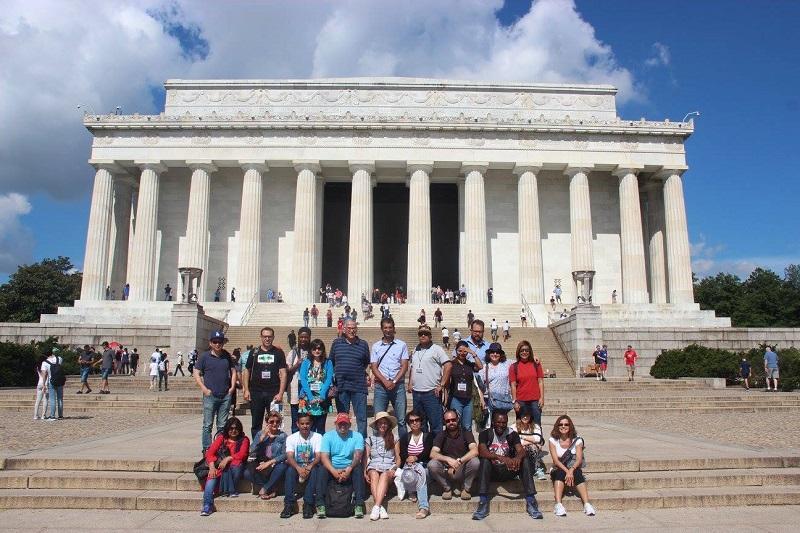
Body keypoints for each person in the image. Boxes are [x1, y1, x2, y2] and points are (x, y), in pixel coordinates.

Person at [472, 410, 542, 520]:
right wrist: (502, 458)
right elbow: (482, 452)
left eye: (504, 422)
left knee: (525, 460)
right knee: (485, 461)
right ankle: (483, 502)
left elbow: (521, 450)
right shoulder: (485, 434)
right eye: (498, 422)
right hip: (492, 471)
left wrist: (517, 458)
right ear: (493, 423)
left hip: (508, 470)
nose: (501, 425)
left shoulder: (512, 434)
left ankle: (531, 500)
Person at [318, 412, 367, 519]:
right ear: (335, 424)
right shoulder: (328, 436)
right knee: (322, 468)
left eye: (345, 424)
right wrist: (334, 471)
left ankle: (359, 504)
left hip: (350, 468)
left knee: (358, 468)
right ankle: (320, 504)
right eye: (340, 424)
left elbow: (358, 456)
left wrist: (348, 469)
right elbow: (324, 457)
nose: (342, 426)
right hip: (333, 468)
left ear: (349, 425)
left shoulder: (357, 436)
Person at [194, 330, 237, 452]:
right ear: (211, 343)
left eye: (220, 342)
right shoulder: (204, 356)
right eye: (215, 342)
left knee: (222, 425)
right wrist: (204, 388)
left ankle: (220, 448)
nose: (218, 344)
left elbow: (233, 371)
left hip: (225, 395)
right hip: (210, 395)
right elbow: (196, 372)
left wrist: (232, 387)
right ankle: (207, 449)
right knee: (207, 424)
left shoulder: (226, 356)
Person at [242, 326, 288, 439]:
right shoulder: (254, 352)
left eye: (269, 336)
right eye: (265, 336)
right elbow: (247, 371)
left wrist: (281, 393)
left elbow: (283, 373)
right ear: (261, 337)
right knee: (256, 422)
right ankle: (257, 447)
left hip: (273, 392)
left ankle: (274, 448)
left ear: (273, 337)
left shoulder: (278, 353)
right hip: (256, 391)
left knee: (275, 422)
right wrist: (246, 389)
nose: (267, 339)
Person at [329, 319, 371, 438]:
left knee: (362, 418)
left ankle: (361, 444)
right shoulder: (336, 343)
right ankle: (343, 443)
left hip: (359, 386)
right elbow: (331, 361)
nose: (352, 330)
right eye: (349, 328)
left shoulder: (363, 344)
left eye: (354, 328)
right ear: (344, 329)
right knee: (342, 418)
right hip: (341, 386)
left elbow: (365, 362)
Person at [200, 417, 250, 516]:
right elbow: (209, 453)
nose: (233, 431)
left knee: (236, 466)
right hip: (219, 467)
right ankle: (207, 505)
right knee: (211, 479)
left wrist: (228, 458)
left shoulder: (244, 440)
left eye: (236, 428)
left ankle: (229, 489)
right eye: (231, 428)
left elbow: (242, 455)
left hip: (234, 468)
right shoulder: (221, 438)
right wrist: (211, 467)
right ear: (227, 429)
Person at [408, 325, 451, 435]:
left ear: (430, 336)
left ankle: (437, 448)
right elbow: (412, 367)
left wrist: (442, 384)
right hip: (417, 393)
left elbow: (448, 365)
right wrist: (410, 383)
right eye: (420, 334)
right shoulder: (415, 350)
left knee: (435, 423)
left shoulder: (437, 349)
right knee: (420, 424)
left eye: (426, 334)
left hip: (431, 393)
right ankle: (425, 448)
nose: (423, 336)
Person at [549, 415, 595, 517]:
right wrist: (567, 471)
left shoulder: (577, 440)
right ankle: (558, 504)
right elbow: (555, 461)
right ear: (557, 426)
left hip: (572, 466)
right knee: (560, 473)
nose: (563, 426)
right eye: (560, 424)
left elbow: (578, 459)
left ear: (570, 426)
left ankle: (587, 504)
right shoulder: (553, 440)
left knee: (577, 473)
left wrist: (571, 470)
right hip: (559, 467)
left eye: (566, 424)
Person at [428, 409, 479, 501]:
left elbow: (475, 451)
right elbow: (433, 453)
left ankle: (466, 489)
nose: (451, 422)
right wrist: (448, 459)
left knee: (475, 462)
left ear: (458, 419)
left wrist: (459, 461)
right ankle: (447, 488)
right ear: (444, 422)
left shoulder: (466, 433)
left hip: (463, 468)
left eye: (453, 420)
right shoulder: (441, 435)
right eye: (448, 421)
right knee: (432, 464)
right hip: (447, 470)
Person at [371, 317, 409, 437]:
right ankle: (378, 449)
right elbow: (374, 367)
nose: (388, 330)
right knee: (378, 419)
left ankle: (402, 451)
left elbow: (404, 366)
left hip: (398, 386)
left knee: (402, 420)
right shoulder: (376, 346)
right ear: (381, 329)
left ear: (394, 328)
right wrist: (385, 381)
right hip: (381, 387)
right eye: (385, 328)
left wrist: (394, 381)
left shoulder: (401, 345)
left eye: (390, 327)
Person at [281, 412, 323, 519]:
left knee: (314, 470)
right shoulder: (291, 438)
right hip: (297, 466)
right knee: (290, 470)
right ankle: (289, 504)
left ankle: (308, 504)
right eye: (302, 423)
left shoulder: (317, 437)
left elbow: (318, 457)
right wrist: (299, 468)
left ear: (311, 424)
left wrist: (309, 467)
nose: (305, 426)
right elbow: (290, 457)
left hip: (312, 465)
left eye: (307, 423)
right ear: (297, 424)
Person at [398, 409, 434, 519]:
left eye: (417, 420)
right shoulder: (405, 437)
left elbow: (427, 452)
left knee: (421, 473)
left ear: (421, 421)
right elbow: (403, 453)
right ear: (408, 424)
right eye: (411, 421)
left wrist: (416, 457)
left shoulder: (428, 436)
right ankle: (412, 490)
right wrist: (408, 458)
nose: (414, 423)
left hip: (424, 466)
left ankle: (423, 507)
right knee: (412, 472)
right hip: (409, 466)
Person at [365, 411, 401, 520]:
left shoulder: (394, 438)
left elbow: (398, 457)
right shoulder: (370, 439)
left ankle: (376, 506)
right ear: (376, 425)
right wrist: (364, 472)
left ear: (389, 425)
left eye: (385, 423)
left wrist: (395, 468)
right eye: (380, 423)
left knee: (384, 474)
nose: (383, 425)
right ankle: (379, 507)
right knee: (375, 474)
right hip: (373, 467)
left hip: (388, 467)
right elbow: (366, 458)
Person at [246, 410, 288, 500]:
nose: (274, 424)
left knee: (282, 466)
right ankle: (271, 487)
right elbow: (252, 451)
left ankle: (264, 489)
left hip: (274, 464)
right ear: (266, 422)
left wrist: (269, 463)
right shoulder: (260, 434)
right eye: (271, 422)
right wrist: (262, 438)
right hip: (261, 463)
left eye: (277, 422)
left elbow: (285, 455)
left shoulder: (283, 436)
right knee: (246, 473)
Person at [298, 339, 334, 433]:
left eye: (319, 348)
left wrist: (322, 395)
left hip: (322, 397)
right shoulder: (306, 362)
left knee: (321, 427)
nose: (317, 351)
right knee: (309, 427)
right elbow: (303, 380)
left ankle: (320, 447)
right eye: (314, 349)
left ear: (322, 350)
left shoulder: (328, 362)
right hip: (308, 397)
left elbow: (328, 379)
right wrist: (310, 397)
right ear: (310, 350)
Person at [447, 340, 483, 432]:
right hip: (456, 398)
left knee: (467, 426)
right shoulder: (452, 364)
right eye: (459, 351)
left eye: (465, 351)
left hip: (468, 399)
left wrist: (473, 353)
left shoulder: (469, 364)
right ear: (456, 351)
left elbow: (480, 366)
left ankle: (467, 444)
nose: (462, 353)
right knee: (456, 424)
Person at [510, 340, 545, 427]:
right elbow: (513, 385)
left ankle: (537, 440)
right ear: (518, 352)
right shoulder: (514, 367)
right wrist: (515, 401)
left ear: (530, 352)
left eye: (526, 350)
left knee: (536, 425)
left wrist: (542, 398)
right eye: (522, 350)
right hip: (521, 401)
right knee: (521, 425)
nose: (524, 352)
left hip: (535, 401)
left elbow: (540, 382)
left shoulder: (536, 364)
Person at [511, 406, 547, 480]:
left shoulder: (536, 427)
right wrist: (530, 441)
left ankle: (537, 469)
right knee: (521, 448)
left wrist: (521, 437)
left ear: (530, 416)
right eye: (523, 415)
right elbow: (513, 440)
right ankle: (517, 471)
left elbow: (538, 438)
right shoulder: (513, 427)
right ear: (520, 416)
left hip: (531, 449)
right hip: (519, 448)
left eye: (527, 415)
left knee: (532, 448)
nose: (525, 417)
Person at [287, 327, 311, 433]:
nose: (303, 339)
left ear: (309, 338)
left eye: (306, 337)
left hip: (310, 387)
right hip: (296, 386)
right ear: (298, 337)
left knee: (309, 416)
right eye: (301, 337)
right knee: (296, 417)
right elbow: (287, 370)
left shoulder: (314, 351)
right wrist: (297, 364)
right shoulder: (293, 352)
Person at [482, 342, 512, 427]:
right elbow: (480, 386)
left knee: (502, 425)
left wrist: (534, 358)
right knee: (490, 426)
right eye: (492, 352)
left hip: (503, 401)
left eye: (497, 352)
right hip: (490, 401)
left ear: (501, 354)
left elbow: (521, 360)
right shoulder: (485, 367)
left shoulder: (507, 364)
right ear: (489, 354)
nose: (495, 354)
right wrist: (482, 401)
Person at [34, 355, 49, 420]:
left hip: (39, 383)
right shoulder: (46, 366)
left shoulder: (38, 367)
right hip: (45, 383)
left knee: (38, 400)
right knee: (45, 400)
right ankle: (43, 415)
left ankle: (35, 415)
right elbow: (45, 375)